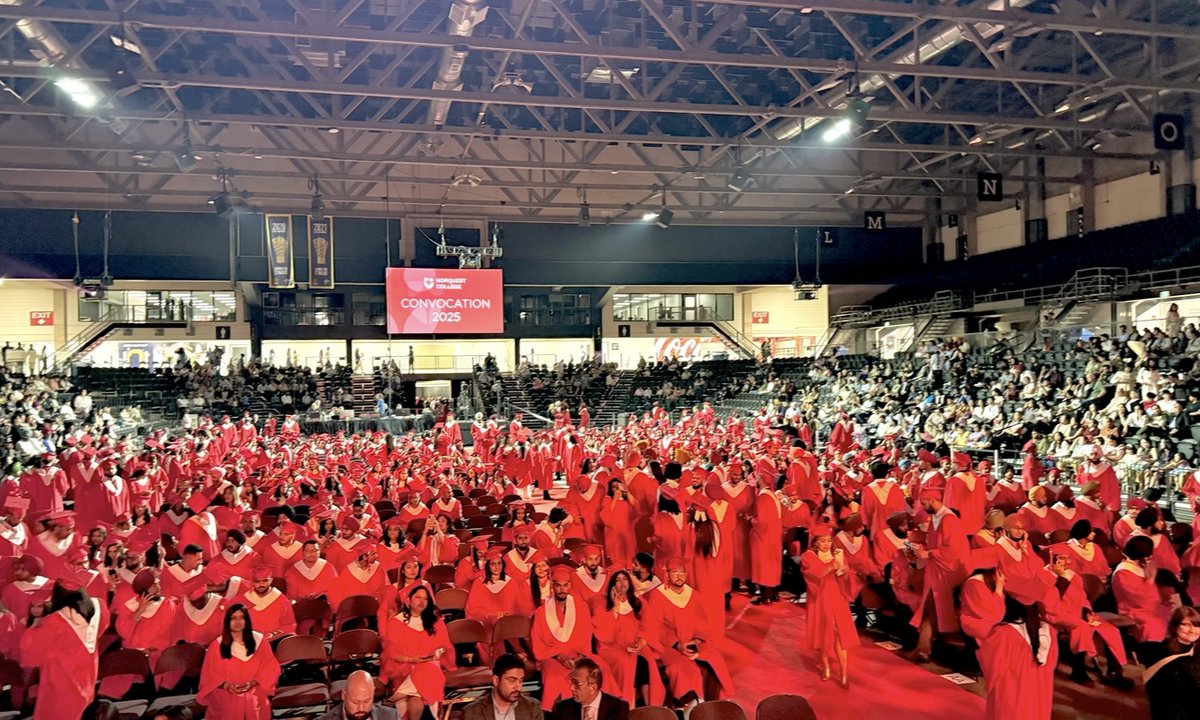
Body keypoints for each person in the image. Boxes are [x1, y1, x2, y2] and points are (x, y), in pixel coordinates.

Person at [18, 580, 109, 720]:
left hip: (60, 680)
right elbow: (101, 629)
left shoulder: (54, 621)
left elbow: (31, 653)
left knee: (58, 712)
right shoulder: (98, 607)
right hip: (87, 673)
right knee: (83, 711)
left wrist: (33, 628)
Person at [380, 585, 455, 720]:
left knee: (417, 696)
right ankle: (401, 693)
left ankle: (399, 695)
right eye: (418, 597)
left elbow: (444, 646)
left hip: (429, 666)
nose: (422, 601)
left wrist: (436, 653)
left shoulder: (435, 622)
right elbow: (390, 654)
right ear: (408, 600)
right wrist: (411, 659)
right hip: (403, 668)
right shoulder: (396, 622)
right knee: (430, 671)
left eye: (426, 598)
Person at [196, 604, 281, 720]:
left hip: (254, 689)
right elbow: (209, 675)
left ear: (247, 620)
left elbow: (270, 668)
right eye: (233, 618)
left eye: (242, 617)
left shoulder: (260, 642)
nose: (238, 622)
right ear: (227, 621)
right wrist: (227, 685)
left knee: (252, 700)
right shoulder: (216, 646)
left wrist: (253, 683)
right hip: (226, 693)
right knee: (231, 705)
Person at [977, 597, 1057, 720]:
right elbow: (1051, 665)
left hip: (1012, 695)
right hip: (1039, 694)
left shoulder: (1004, 633)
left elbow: (992, 665)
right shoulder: (1049, 631)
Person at [800, 525, 858, 688]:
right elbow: (812, 576)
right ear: (816, 542)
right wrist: (831, 566)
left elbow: (845, 576)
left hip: (837, 596)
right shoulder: (808, 556)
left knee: (840, 635)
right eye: (822, 541)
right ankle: (826, 667)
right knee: (824, 633)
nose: (826, 544)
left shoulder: (837, 554)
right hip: (819, 598)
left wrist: (844, 570)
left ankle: (844, 672)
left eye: (828, 541)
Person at [1141, 606, 1200, 720]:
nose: (1192, 630)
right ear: (1174, 626)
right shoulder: (1159, 653)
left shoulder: (1196, 651)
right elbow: (1160, 696)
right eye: (1185, 624)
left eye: (1197, 625)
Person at [461, 653, 544, 720]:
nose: (518, 687)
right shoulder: (472, 713)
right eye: (512, 680)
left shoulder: (532, 708)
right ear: (496, 680)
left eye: (520, 680)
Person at [550, 657, 630, 720]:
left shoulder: (618, 707)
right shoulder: (562, 708)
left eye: (577, 684)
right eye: (572, 682)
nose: (572, 688)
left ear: (593, 687)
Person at [317, 669, 398, 720]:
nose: (361, 708)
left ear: (373, 693)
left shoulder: (391, 716)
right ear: (344, 696)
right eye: (355, 702)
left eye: (366, 701)